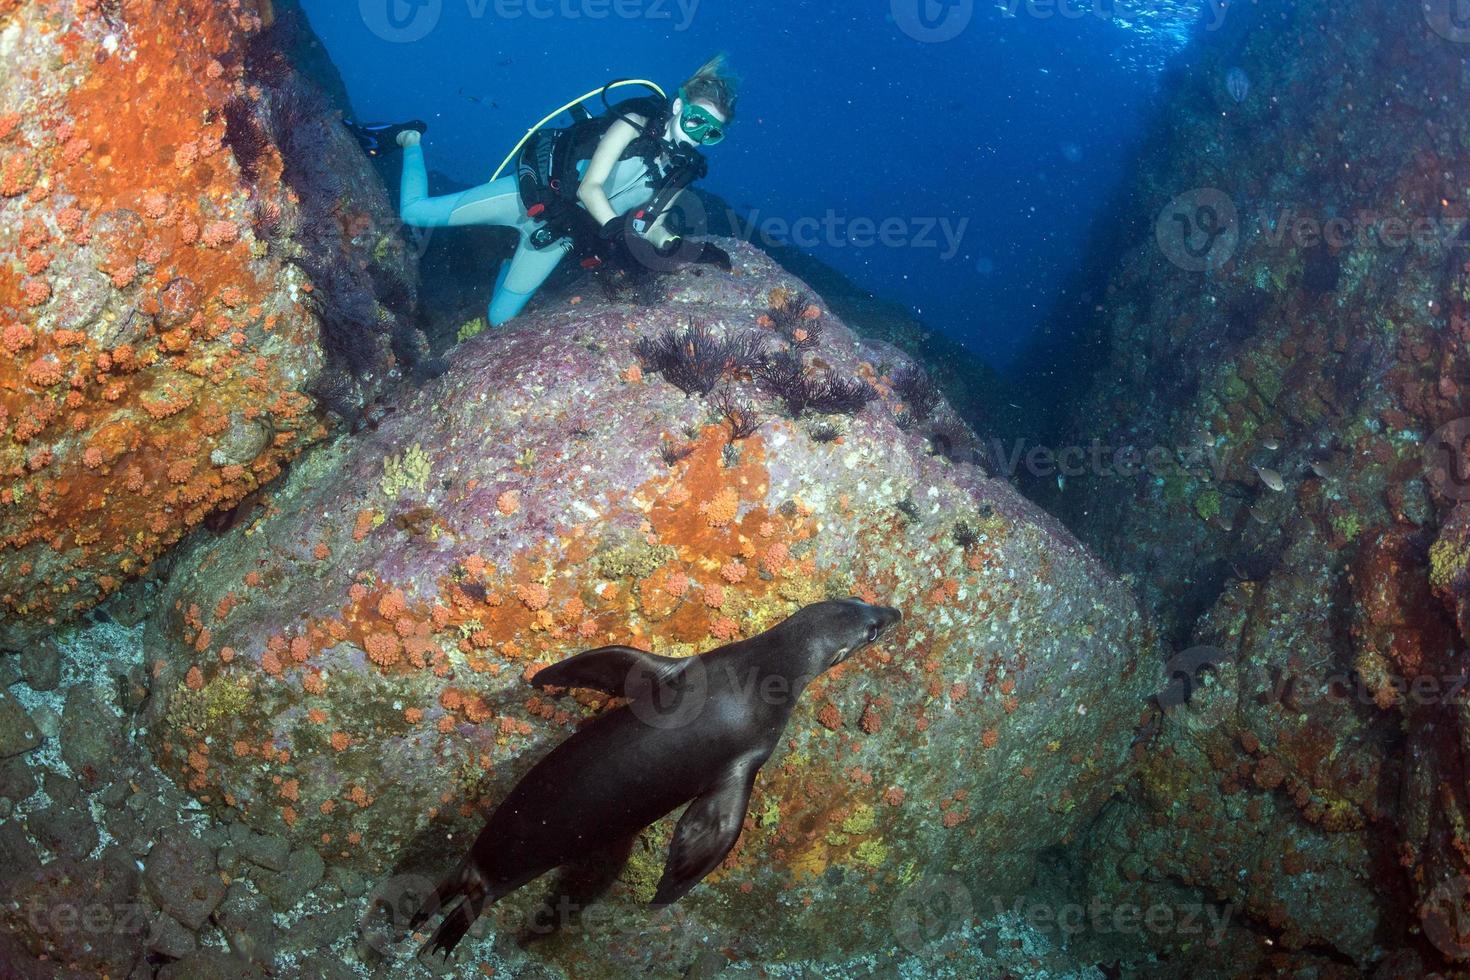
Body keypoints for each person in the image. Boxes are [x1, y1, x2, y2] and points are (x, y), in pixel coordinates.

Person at [346, 56, 737, 327]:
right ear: (678, 106)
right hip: (526, 198)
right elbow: (590, 186)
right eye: (697, 120)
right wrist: (617, 230)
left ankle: (506, 258)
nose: (699, 134)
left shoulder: (682, 170)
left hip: (558, 234)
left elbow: (654, 222)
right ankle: (410, 136)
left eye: (712, 133)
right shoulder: (633, 123)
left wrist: (677, 245)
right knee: (415, 213)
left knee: (500, 319)